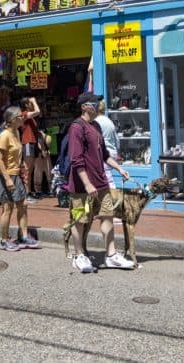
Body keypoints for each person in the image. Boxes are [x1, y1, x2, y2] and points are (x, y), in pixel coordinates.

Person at [67, 92, 132, 273]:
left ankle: (111, 255)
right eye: (94, 102)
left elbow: (103, 154)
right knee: (80, 220)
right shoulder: (76, 127)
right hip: (81, 187)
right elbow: (76, 160)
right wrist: (87, 184)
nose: (97, 105)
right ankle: (79, 255)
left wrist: (119, 168)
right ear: (84, 107)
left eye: (97, 102)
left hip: (101, 182)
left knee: (107, 216)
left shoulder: (95, 126)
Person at [0, 106, 40, 251]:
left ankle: (24, 236)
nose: (23, 117)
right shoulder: (5, 135)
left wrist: (22, 169)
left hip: (16, 174)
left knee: (23, 205)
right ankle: (4, 239)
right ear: (13, 119)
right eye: (21, 116)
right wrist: (7, 179)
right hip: (5, 175)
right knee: (7, 208)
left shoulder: (16, 132)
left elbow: (16, 156)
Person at [94, 100, 121, 197]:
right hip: (112, 152)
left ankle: (113, 198)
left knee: (108, 178)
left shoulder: (96, 122)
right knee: (105, 176)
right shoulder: (109, 121)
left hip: (104, 153)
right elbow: (117, 139)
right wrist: (117, 152)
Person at [19, 96, 42, 203]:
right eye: (30, 103)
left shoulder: (30, 116)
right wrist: (34, 100)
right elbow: (38, 111)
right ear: (26, 105)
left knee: (30, 169)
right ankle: (26, 193)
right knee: (27, 169)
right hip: (27, 142)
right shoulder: (24, 114)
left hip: (33, 142)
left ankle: (29, 192)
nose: (32, 104)